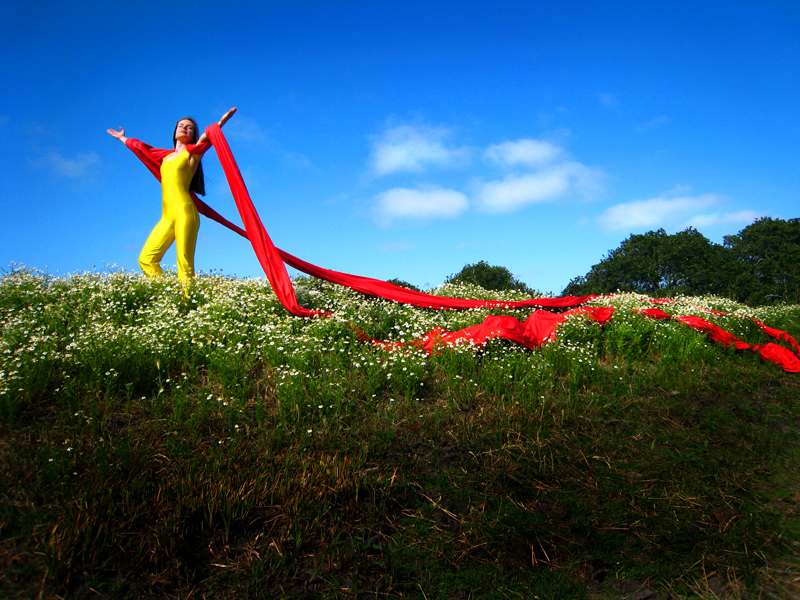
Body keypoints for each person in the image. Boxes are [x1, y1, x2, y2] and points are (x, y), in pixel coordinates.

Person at [107, 108, 237, 282]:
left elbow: (205, 140)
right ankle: (168, 296)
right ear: (175, 131)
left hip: (185, 213)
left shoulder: (191, 154)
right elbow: (142, 150)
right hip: (167, 217)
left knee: (184, 264)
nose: (184, 128)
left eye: (189, 128)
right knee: (146, 259)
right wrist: (122, 138)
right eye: (181, 125)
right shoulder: (164, 157)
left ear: (193, 135)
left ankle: (187, 304)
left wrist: (219, 124)